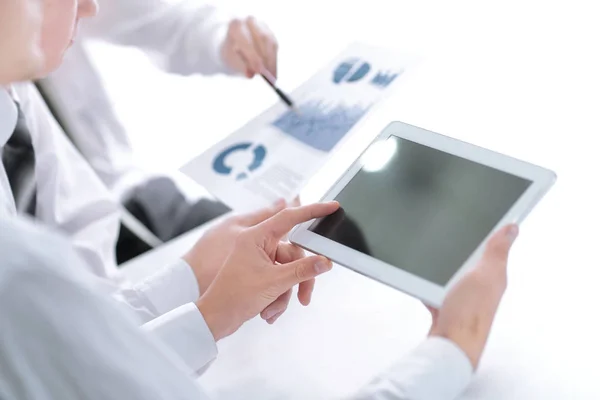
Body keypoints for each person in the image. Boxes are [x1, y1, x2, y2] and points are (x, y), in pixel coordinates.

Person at [0, 0, 312, 374]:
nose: (91, 7)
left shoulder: (17, 96)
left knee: (280, 250)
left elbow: (100, 311)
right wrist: (209, 316)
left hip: (124, 201)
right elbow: (67, 372)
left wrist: (192, 274)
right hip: (79, 303)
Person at [36, 0, 280, 262]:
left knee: (275, 245)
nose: (89, 7)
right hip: (60, 261)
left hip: (139, 197)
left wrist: (225, 38)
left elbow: (164, 22)